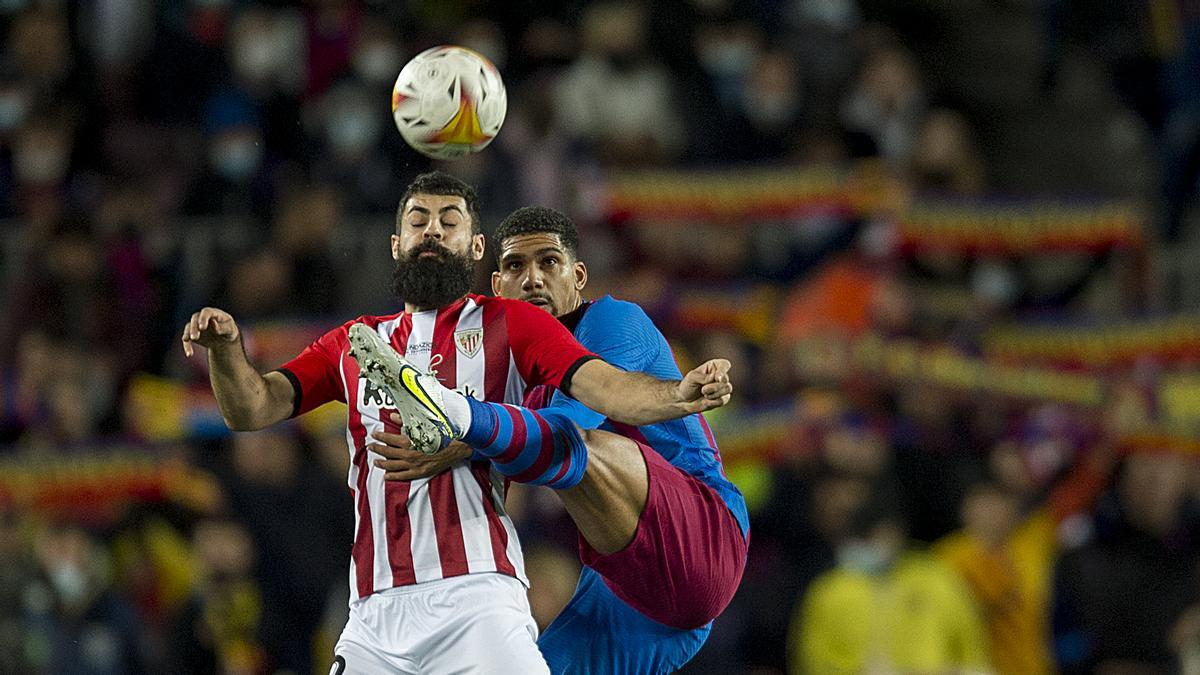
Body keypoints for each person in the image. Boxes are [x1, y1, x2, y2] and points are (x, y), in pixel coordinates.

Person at [180, 171, 732, 674]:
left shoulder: (531, 326)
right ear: (396, 244)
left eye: (449, 222)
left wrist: (677, 393)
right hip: (386, 610)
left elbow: (600, 398)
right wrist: (227, 353)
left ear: (473, 246)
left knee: (572, 441)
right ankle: (446, 408)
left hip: (671, 545)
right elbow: (252, 408)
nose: (432, 231)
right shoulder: (353, 342)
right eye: (418, 221)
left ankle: (448, 407)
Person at [368, 206, 749, 674]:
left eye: (549, 262)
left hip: (705, 539)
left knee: (570, 442)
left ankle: (451, 410)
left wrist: (462, 429)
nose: (533, 279)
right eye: (515, 266)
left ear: (579, 275)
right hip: (627, 590)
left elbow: (567, 424)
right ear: (497, 287)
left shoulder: (615, 321)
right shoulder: (507, 372)